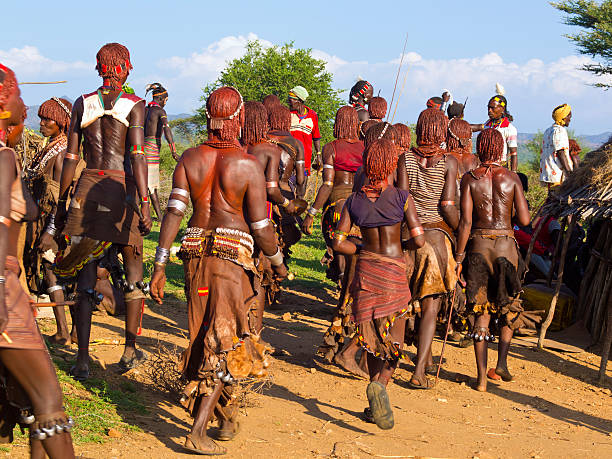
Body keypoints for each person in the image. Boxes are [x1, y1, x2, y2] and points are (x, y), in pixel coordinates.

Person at [150, 86, 287, 455]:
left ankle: (225, 418)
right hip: (231, 262)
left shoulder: (191, 158)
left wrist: (160, 264)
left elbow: (174, 212)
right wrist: (277, 262)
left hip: (195, 258)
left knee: (207, 332)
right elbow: (261, 228)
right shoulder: (247, 165)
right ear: (239, 117)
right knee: (224, 339)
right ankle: (197, 430)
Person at [53, 43, 152, 380]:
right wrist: (146, 202)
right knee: (133, 266)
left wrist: (65, 200)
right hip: (120, 191)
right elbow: (138, 156)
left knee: (85, 273)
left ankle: (82, 359)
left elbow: (70, 157)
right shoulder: (135, 105)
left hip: (87, 188)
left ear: (99, 67)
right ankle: (129, 349)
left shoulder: (83, 103)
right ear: (124, 66)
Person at [0, 62, 76, 459]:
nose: (28, 112)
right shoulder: (2, 158)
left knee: (30, 403)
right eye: (20, 99)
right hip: (4, 299)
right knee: (50, 407)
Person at [333, 138, 424, 430]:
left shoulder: (353, 201)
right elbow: (420, 240)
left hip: (367, 272)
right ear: (391, 166)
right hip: (395, 272)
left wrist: (361, 249)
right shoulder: (402, 197)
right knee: (394, 336)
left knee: (371, 335)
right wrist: (401, 244)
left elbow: (338, 242)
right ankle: (382, 383)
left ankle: (374, 386)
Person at [456, 128, 532, 391]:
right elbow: (524, 220)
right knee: (508, 307)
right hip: (506, 246)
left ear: (480, 148)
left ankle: (479, 379)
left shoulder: (469, 179)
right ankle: (501, 364)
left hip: (478, 246)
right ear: (499, 150)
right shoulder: (512, 179)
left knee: (481, 310)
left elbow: (465, 221)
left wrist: (458, 257)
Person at [397, 107, 459, 389]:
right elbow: (447, 207)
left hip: (406, 236)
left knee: (401, 303)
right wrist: (462, 231)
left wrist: (412, 227)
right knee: (430, 309)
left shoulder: (405, 158)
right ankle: (419, 371)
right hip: (436, 238)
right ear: (442, 131)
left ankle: (392, 358)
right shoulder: (449, 163)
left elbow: (402, 198)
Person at [305, 106, 366, 376]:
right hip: (361, 208)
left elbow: (327, 184)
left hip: (337, 209)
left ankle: (339, 318)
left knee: (342, 266)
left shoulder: (331, 148)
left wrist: (312, 211)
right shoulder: (366, 148)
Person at [23, 97, 76, 345]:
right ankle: (69, 331)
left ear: (63, 122)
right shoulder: (51, 147)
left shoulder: (63, 153)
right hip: (42, 221)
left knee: (53, 271)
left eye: (48, 119)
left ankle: (65, 331)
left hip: (53, 223)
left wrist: (49, 231)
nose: (42, 122)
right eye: (41, 117)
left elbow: (60, 198)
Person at [144, 82, 179, 220]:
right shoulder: (160, 111)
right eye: (166, 100)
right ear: (161, 99)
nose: (166, 103)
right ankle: (159, 217)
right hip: (152, 148)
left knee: (143, 182)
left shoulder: (145, 110)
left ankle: (153, 215)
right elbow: (167, 131)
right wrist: (173, 151)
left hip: (141, 146)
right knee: (151, 185)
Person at [472, 90, 518, 171]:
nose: (489, 110)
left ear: (502, 109)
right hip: (484, 166)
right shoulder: (486, 125)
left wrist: (514, 173)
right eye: (488, 107)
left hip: (501, 167)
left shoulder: (509, 129)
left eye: (493, 108)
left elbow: (513, 153)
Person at [288, 86, 321, 174]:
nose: (288, 103)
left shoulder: (312, 116)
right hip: (288, 159)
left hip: (305, 161)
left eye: (290, 100)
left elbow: (316, 137)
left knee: (302, 185)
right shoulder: (288, 115)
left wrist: (318, 155)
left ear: (299, 101)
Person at [540, 104, 573, 191]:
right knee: (560, 199)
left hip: (549, 173)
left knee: (552, 197)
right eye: (569, 116)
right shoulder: (559, 131)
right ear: (563, 117)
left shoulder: (548, 130)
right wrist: (569, 172)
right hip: (558, 174)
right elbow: (560, 152)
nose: (570, 119)